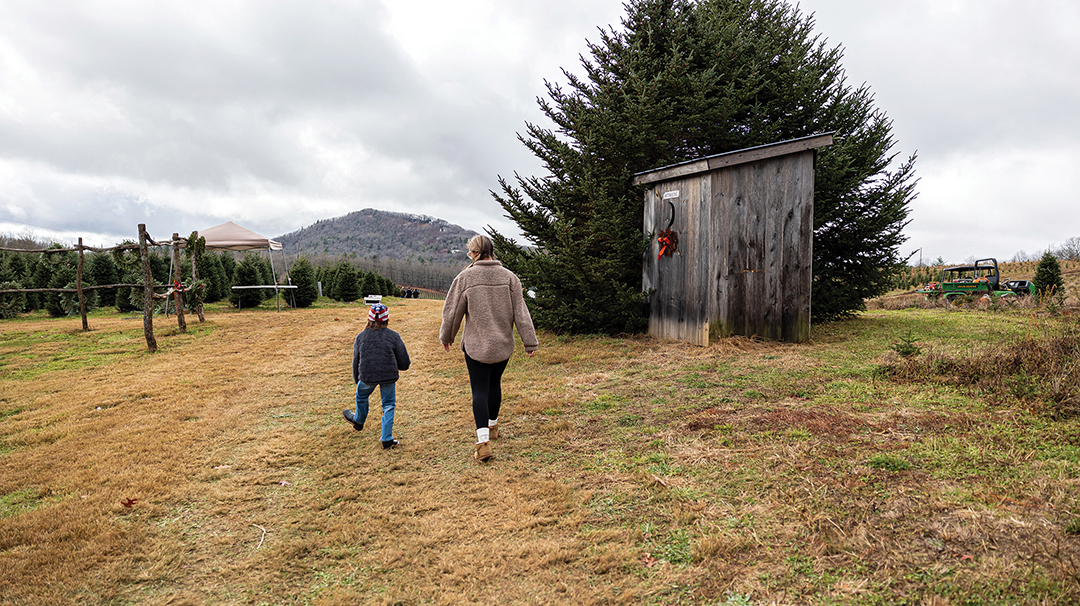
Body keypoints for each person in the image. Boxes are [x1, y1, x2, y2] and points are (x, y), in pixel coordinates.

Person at [439, 234, 539, 462]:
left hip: (476, 346)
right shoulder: (510, 278)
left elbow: (452, 311)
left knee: (479, 390)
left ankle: (483, 443)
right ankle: (492, 427)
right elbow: (521, 313)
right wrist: (529, 341)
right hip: (503, 345)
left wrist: (447, 336)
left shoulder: (465, 277)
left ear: (474, 253)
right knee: (494, 384)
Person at [345, 303, 410, 449]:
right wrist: (400, 366)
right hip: (388, 376)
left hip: (367, 376)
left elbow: (356, 360)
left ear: (369, 318)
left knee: (361, 397)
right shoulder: (393, 336)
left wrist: (357, 379)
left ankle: (359, 421)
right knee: (388, 405)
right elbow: (404, 361)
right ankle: (386, 439)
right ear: (387, 319)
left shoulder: (361, 337)